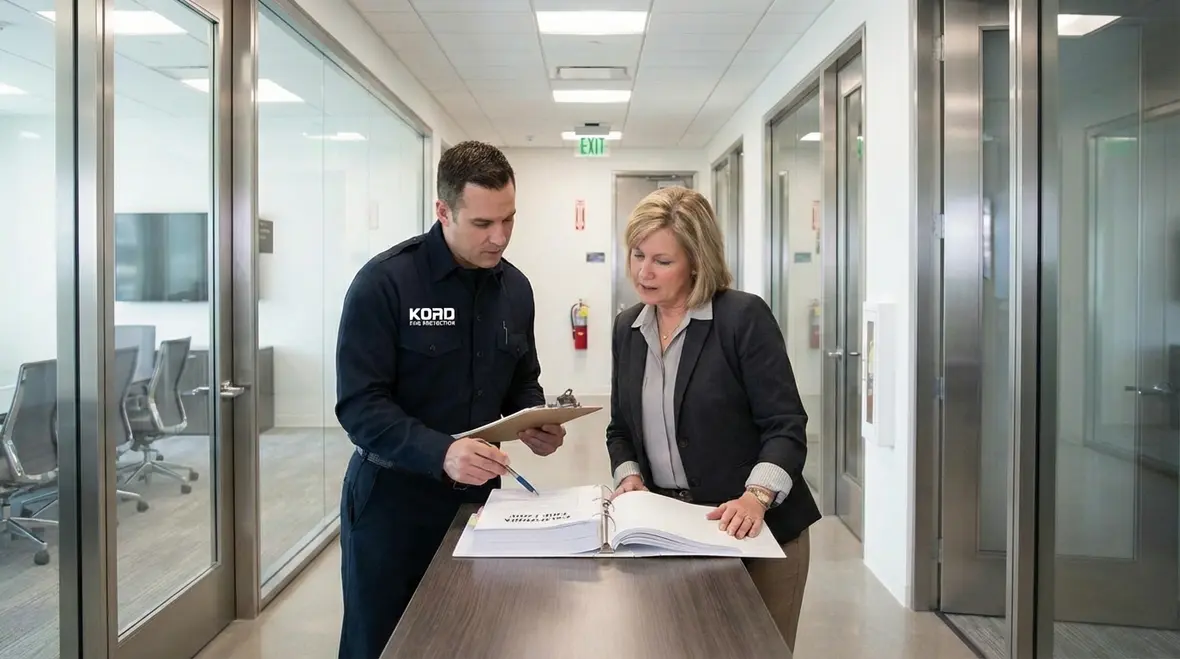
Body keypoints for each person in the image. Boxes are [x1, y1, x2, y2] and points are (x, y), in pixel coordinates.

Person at [334, 140, 568, 659]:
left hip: (480, 502)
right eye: (483, 223)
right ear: (443, 211)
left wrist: (535, 419)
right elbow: (359, 405)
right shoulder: (385, 283)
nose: (500, 237)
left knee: (472, 637)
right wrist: (440, 452)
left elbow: (522, 378)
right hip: (393, 502)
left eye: (509, 219)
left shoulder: (516, 289)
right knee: (382, 643)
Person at [605, 185, 820, 651]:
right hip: (673, 532)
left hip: (758, 533)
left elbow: (785, 424)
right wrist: (629, 477)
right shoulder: (628, 328)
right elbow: (620, 428)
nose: (643, 272)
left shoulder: (742, 318)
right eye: (637, 254)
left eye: (662, 261)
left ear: (697, 261)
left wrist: (756, 496)